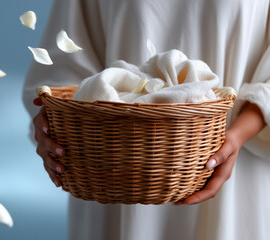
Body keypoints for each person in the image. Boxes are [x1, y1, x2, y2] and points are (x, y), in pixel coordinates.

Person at [23, 0, 270, 239]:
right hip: (112, 164)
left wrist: (236, 135)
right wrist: (52, 117)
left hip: (234, 164)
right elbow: (64, 62)